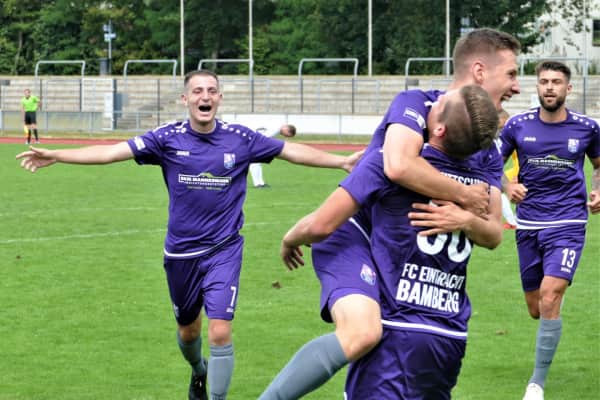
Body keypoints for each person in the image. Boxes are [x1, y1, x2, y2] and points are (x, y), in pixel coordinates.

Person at [15, 69, 363, 400]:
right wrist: (58, 155)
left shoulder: (240, 138)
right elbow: (110, 152)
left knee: (220, 330)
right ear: (185, 99)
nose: (204, 97)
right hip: (181, 254)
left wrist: (341, 161)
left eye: (211, 91)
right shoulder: (166, 138)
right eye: (197, 91)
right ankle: (198, 369)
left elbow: (290, 151)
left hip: (224, 249)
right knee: (188, 332)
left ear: (220, 98)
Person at [258, 27, 521, 400]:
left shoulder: (486, 148)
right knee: (363, 333)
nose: (516, 86)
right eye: (512, 74)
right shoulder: (418, 104)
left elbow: (493, 232)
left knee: (381, 339)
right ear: (479, 71)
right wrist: (465, 195)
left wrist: (465, 219)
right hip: (354, 233)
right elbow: (397, 166)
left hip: (414, 277)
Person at [499, 61, 600, 400]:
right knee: (536, 307)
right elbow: (490, 164)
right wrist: (507, 186)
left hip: (569, 222)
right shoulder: (517, 126)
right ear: (537, 87)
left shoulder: (587, 128)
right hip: (529, 224)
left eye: (557, 82)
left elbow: (599, 165)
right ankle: (552, 298)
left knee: (549, 296)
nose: (550, 87)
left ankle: (536, 384)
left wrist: (598, 188)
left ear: (568, 88)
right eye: (544, 81)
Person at [249, 124, 296, 188]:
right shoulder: (276, 128)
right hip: (251, 142)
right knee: (255, 163)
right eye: (287, 135)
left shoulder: (276, 128)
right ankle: (258, 184)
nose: (285, 136)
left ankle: (260, 183)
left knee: (257, 163)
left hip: (253, 141)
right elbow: (264, 137)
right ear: (287, 129)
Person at [499, 109, 518, 229]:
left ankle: (513, 221)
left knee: (498, 188)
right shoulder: (502, 137)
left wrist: (519, 176)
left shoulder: (514, 136)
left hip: (522, 171)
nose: (502, 130)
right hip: (515, 170)